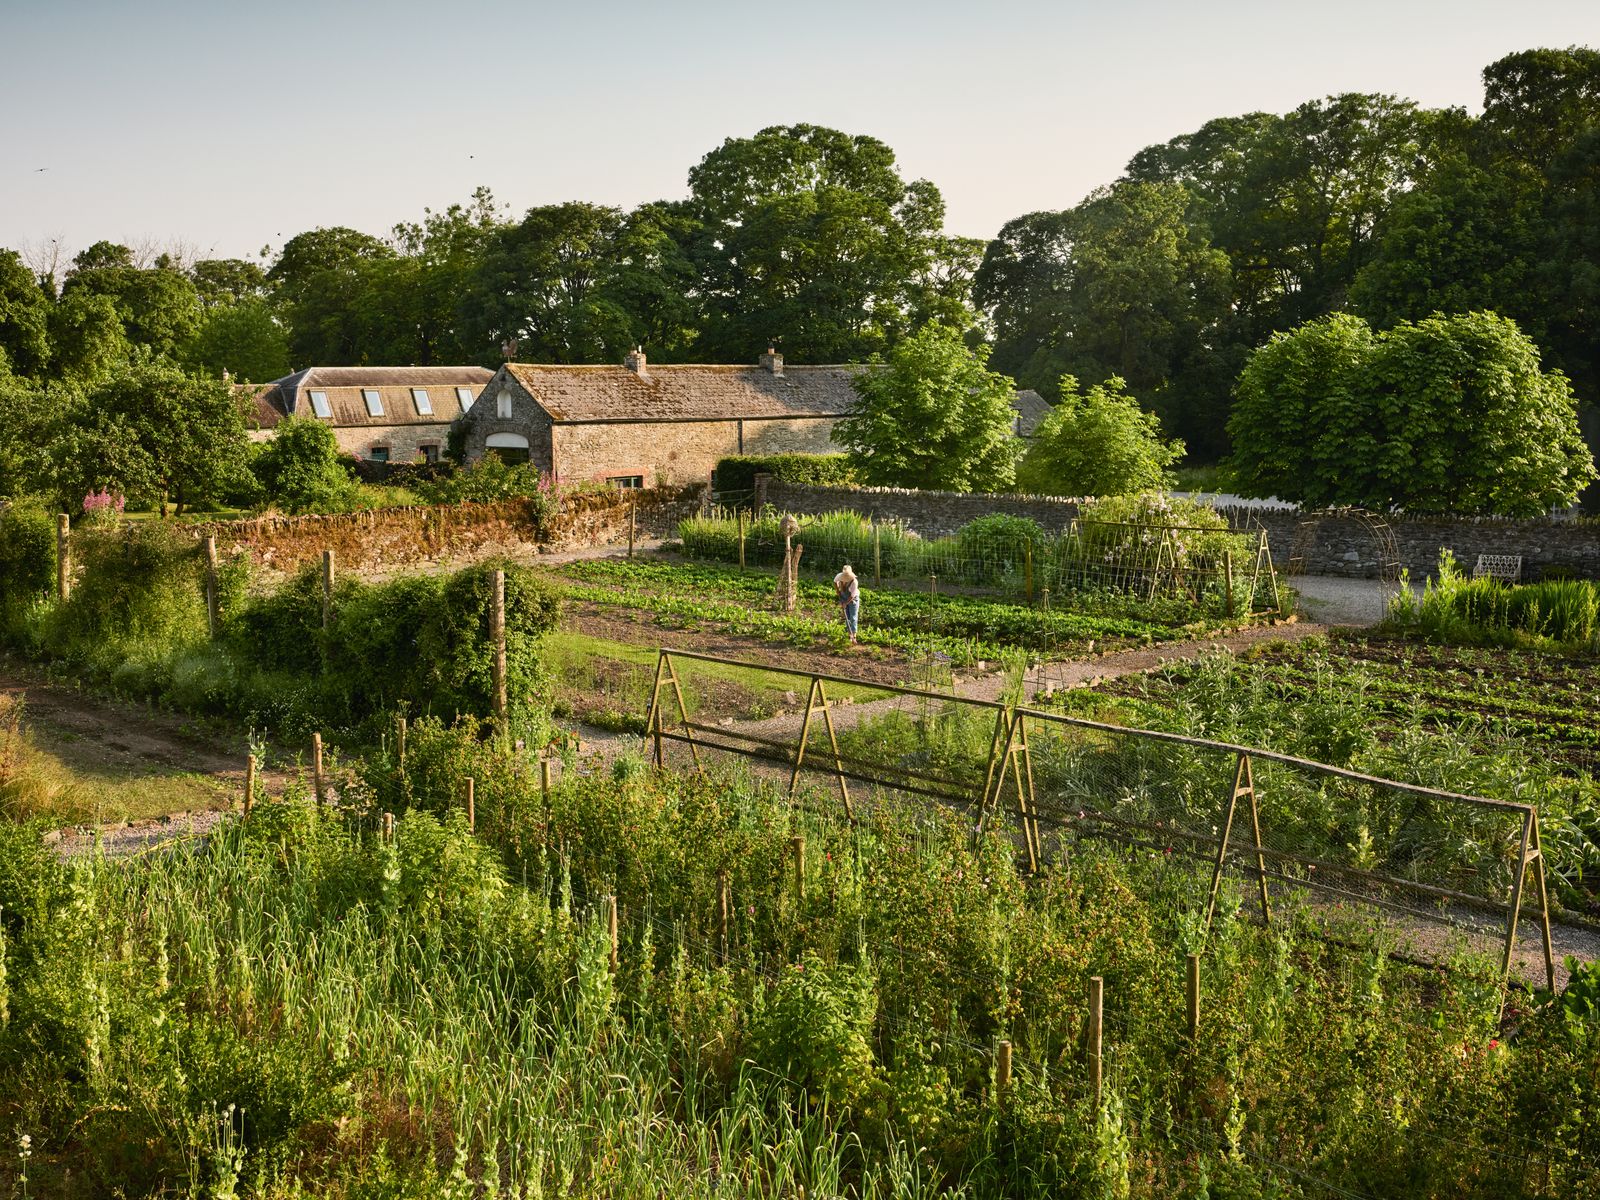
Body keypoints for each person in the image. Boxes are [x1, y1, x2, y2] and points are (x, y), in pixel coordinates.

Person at [834, 564, 861, 646]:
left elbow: (852, 596)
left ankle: (854, 636)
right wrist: (837, 590)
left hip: (853, 600)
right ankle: (850, 635)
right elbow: (834, 582)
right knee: (847, 618)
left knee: (853, 617)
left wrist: (845, 603)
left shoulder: (854, 582)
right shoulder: (839, 576)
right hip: (843, 597)